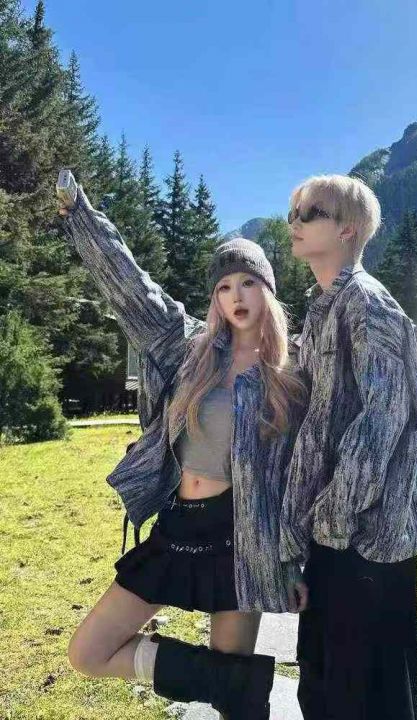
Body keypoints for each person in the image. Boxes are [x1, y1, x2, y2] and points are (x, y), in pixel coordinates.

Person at [57, 180, 308, 720]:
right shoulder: (189, 347)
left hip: (242, 537)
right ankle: (241, 685)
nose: (236, 296)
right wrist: (81, 216)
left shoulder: (292, 372)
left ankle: (240, 691)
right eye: (224, 287)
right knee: (88, 652)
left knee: (233, 697)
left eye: (248, 283)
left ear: (267, 289)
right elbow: (131, 286)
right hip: (177, 525)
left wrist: (292, 562)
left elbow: (300, 479)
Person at [280, 174, 417, 720]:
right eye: (294, 212)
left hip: (371, 537)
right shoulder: (322, 308)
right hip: (332, 532)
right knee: (323, 684)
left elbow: (386, 417)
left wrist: (334, 515)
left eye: (310, 213)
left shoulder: (368, 303)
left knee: (370, 694)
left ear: (347, 229)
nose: (294, 223)